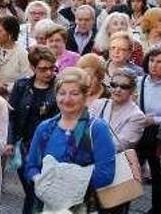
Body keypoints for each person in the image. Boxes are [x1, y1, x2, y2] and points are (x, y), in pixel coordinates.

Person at [24, 67, 116, 213]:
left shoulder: (97, 129)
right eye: (62, 93)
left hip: (83, 206)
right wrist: (40, 180)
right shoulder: (45, 128)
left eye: (74, 94)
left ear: (86, 95)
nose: (67, 99)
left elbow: (105, 174)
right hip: (48, 205)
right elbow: (31, 166)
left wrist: (66, 185)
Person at [6, 45, 59, 214]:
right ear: (33, 68)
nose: (48, 73)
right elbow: (12, 115)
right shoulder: (22, 86)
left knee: (39, 191)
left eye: (52, 68)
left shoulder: (59, 87)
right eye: (43, 69)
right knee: (31, 189)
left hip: (48, 149)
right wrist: (10, 141)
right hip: (25, 146)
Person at [90, 69, 146, 154]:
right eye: (114, 85)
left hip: (114, 162)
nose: (118, 89)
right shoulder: (97, 104)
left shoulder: (137, 116)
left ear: (132, 90)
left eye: (124, 87)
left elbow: (119, 145)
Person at [0, 15, 31, 97]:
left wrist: (7, 88)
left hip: (12, 99)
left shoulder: (22, 54)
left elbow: (27, 80)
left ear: (10, 34)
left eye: (0, 31)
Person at [137, 47, 161, 214]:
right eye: (152, 60)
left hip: (158, 135)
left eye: (159, 62)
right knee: (130, 170)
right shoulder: (140, 82)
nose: (154, 65)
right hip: (139, 133)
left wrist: (154, 119)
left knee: (157, 174)